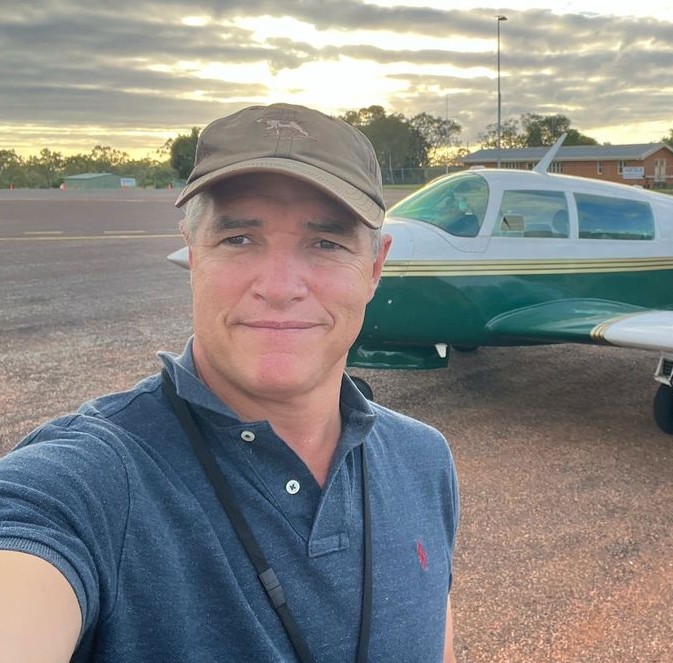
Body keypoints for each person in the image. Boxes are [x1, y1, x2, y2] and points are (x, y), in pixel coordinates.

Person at [0, 103, 459, 662]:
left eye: (327, 243)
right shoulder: (91, 482)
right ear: (193, 255)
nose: (280, 287)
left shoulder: (422, 459)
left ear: (375, 268)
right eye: (239, 238)